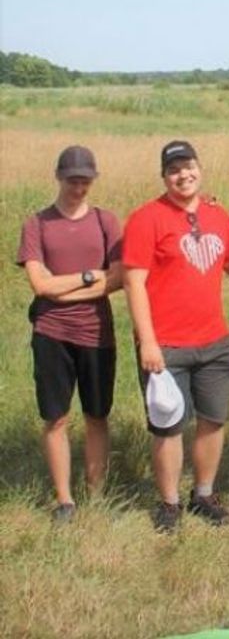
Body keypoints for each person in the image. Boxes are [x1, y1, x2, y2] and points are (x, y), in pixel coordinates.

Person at [122, 140, 229, 532]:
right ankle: (169, 503)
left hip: (215, 341)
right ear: (163, 176)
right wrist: (147, 341)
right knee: (168, 425)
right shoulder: (145, 218)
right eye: (174, 170)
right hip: (166, 345)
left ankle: (203, 494)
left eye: (188, 167)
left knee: (213, 420)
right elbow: (133, 283)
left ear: (199, 168)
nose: (182, 175)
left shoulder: (218, 215)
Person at [18, 146, 122, 523]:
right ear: (58, 177)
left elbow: (118, 278)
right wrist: (87, 276)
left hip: (97, 333)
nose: (79, 187)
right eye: (72, 179)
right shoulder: (37, 224)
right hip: (51, 332)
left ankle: (95, 495)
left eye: (85, 180)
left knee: (97, 415)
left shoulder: (105, 221)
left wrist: (65, 286)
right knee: (56, 418)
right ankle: (64, 500)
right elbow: (38, 285)